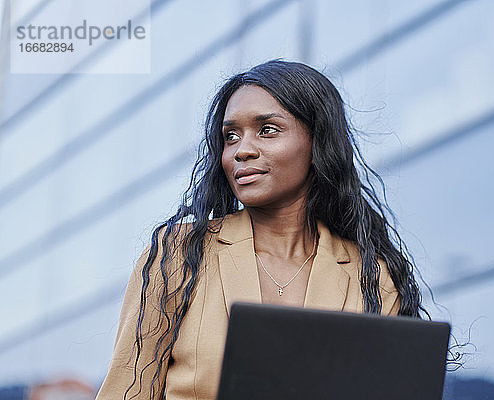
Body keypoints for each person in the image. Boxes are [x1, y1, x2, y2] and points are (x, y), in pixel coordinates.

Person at [95, 59, 426, 400]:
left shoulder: (370, 277)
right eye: (230, 136)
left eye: (267, 129)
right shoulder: (180, 253)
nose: (242, 150)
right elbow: (125, 391)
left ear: (317, 141)